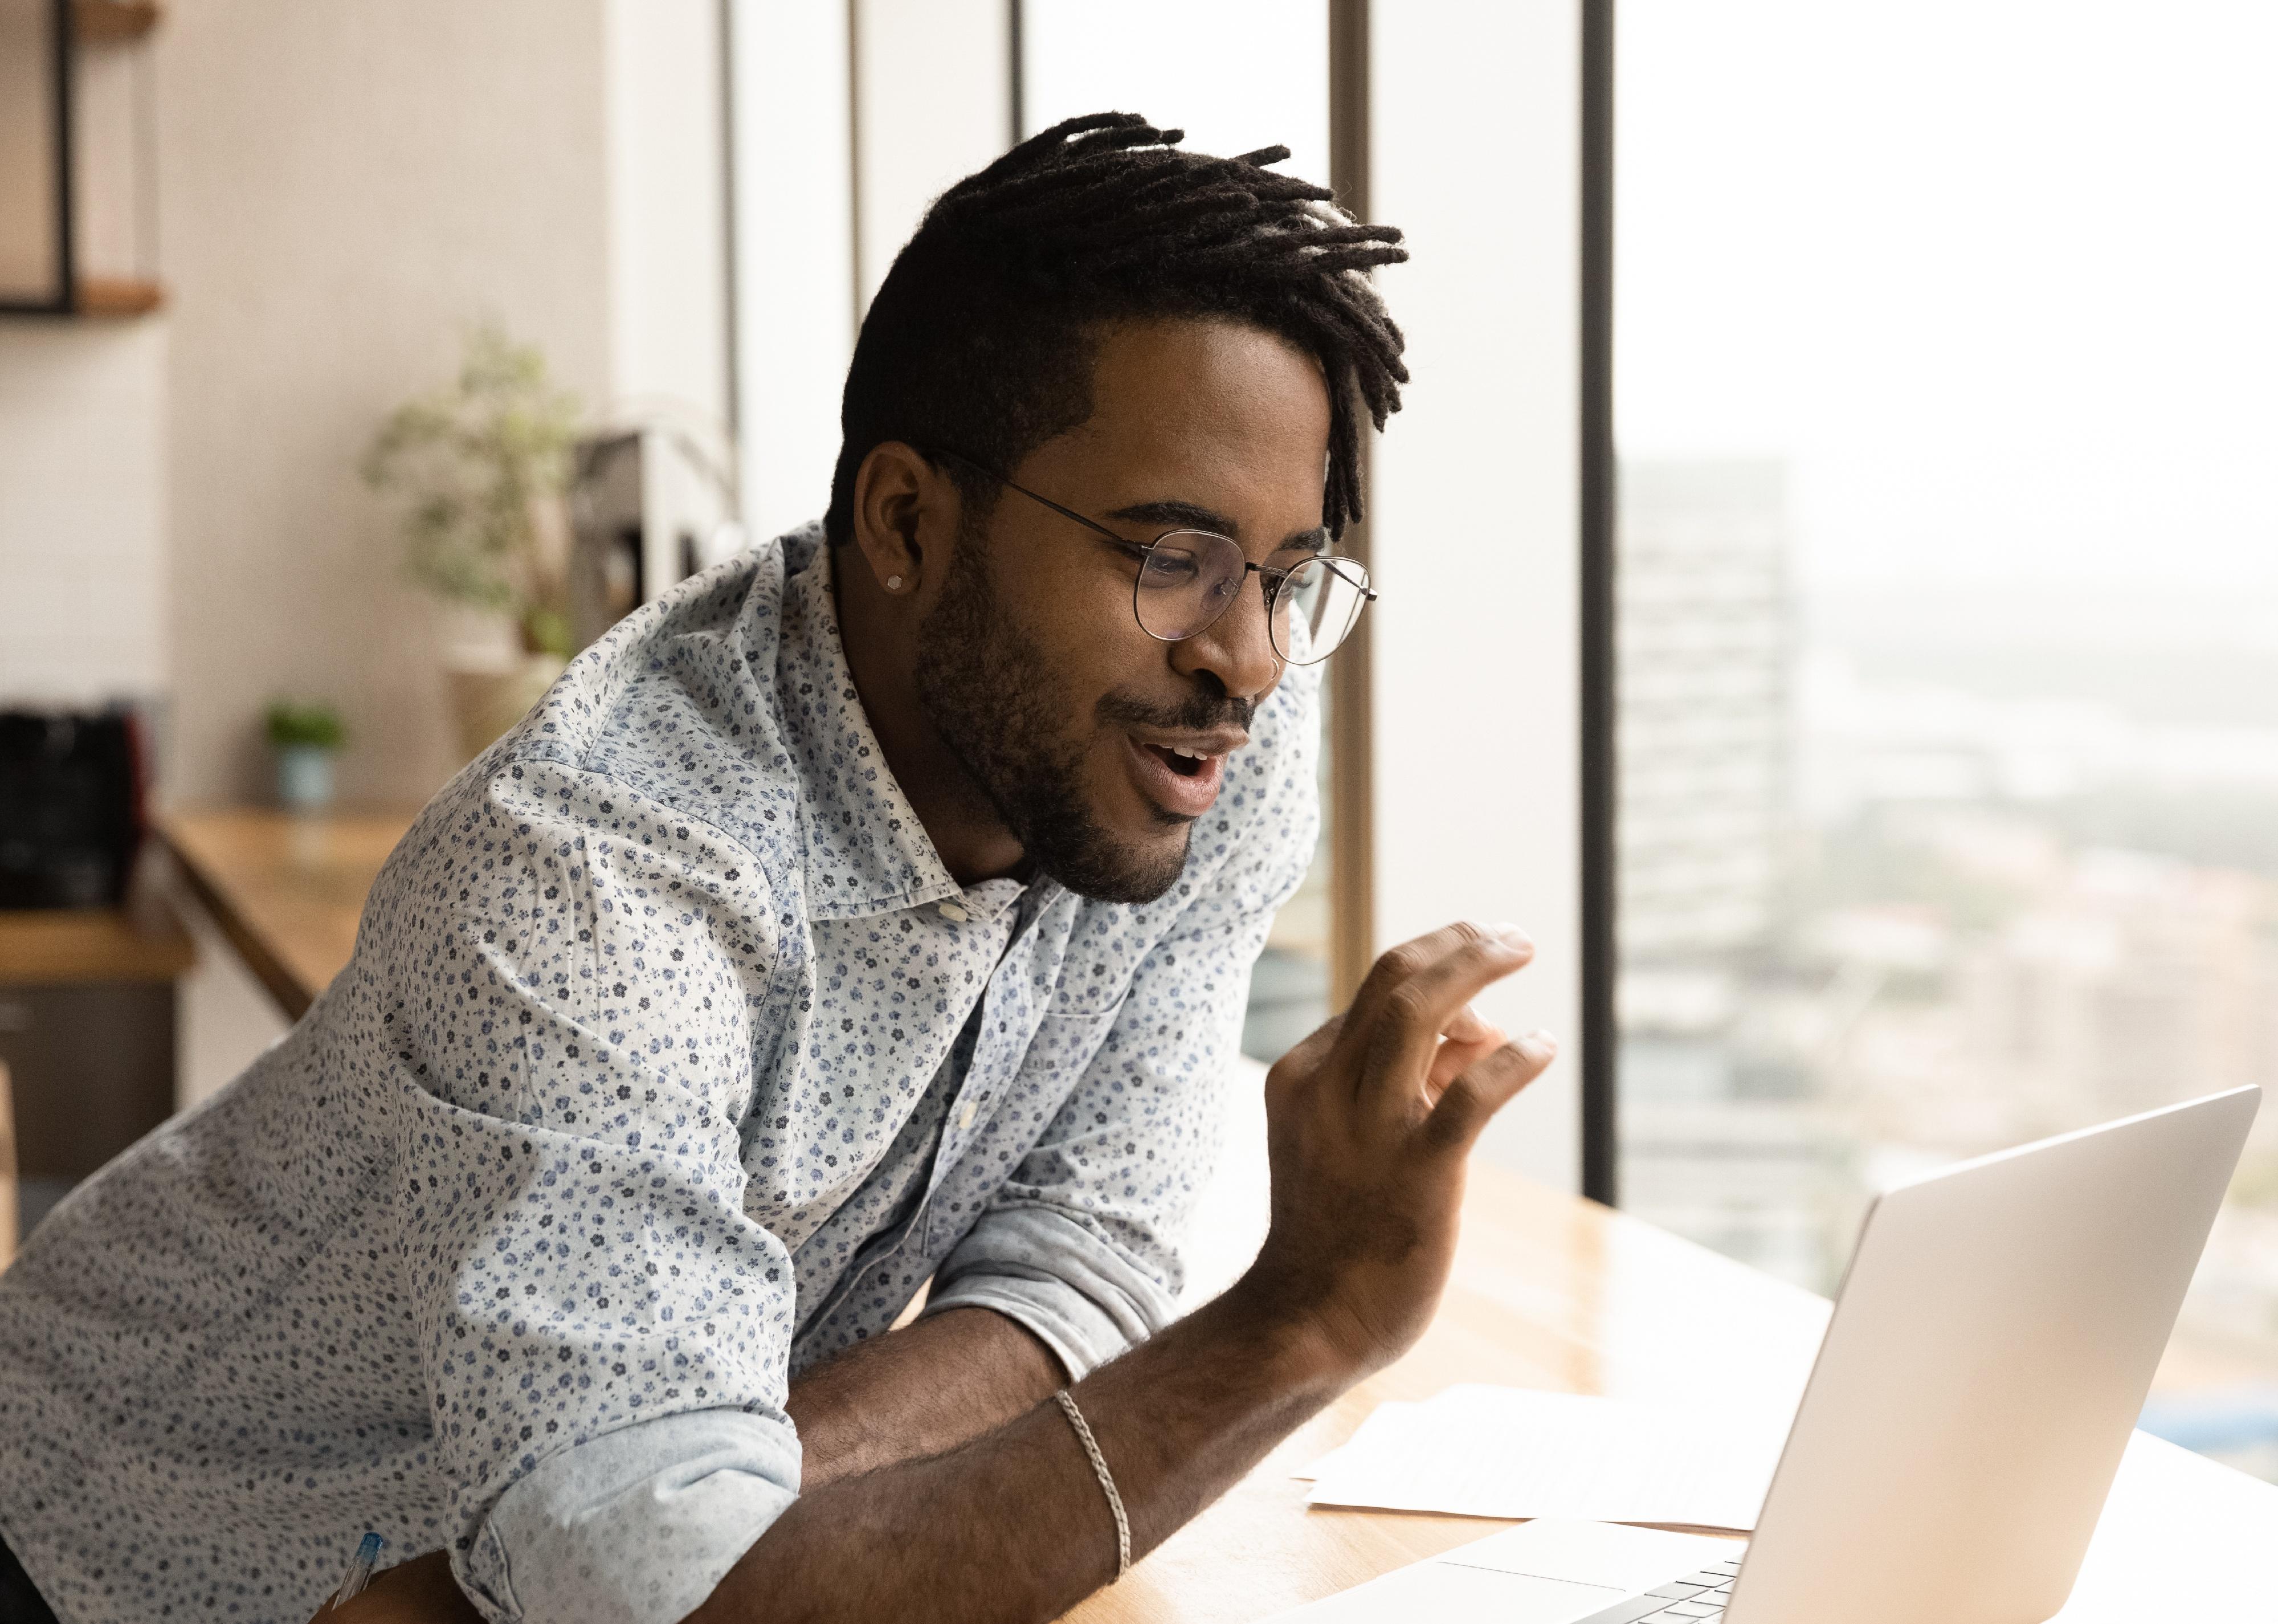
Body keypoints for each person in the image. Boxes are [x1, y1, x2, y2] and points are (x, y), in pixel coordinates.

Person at [0, 114, 1555, 1624]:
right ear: (903, 518)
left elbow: (1078, 1265)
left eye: (1290, 575)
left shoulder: (1196, 751)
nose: (1249, 657)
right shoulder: (594, 870)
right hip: (91, 1548)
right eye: (1170, 558)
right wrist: (1297, 1324)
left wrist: (654, 1537)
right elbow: (663, 1597)